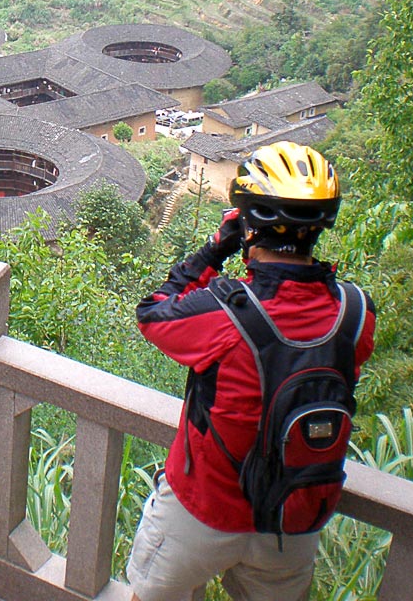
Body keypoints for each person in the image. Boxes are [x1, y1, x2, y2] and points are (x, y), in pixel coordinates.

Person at [127, 141, 375, 601]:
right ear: (319, 227)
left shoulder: (224, 313)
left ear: (247, 223)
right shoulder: (355, 315)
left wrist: (213, 251)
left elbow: (153, 313)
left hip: (201, 514)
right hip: (291, 522)